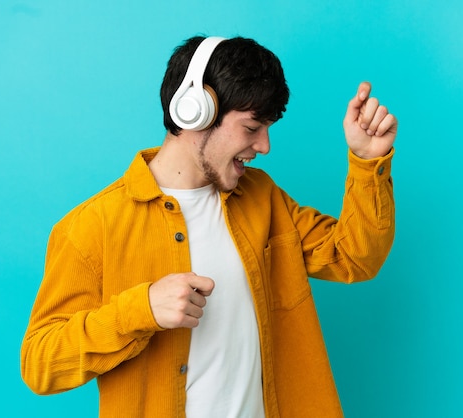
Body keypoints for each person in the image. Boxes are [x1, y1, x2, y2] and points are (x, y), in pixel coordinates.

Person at [21, 35, 397, 418]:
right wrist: (140, 310)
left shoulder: (263, 196)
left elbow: (353, 257)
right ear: (194, 112)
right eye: (252, 127)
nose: (264, 146)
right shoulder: (91, 226)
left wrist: (368, 161)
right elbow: (41, 364)